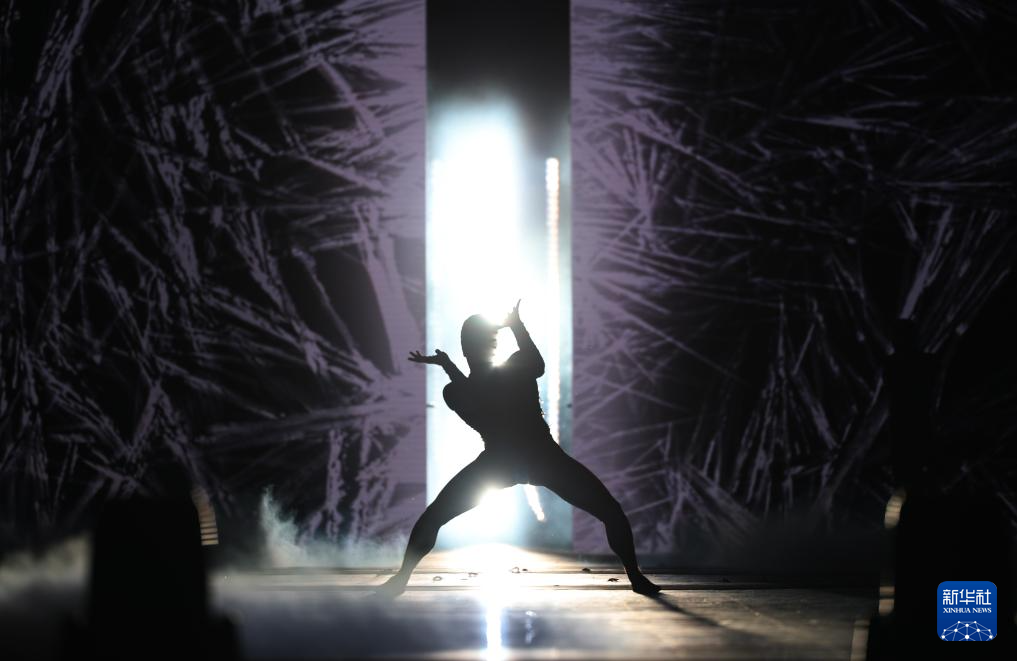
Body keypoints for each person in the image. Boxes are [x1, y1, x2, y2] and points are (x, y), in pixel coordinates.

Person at [377, 300, 660, 596]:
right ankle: (636, 577)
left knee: (434, 516)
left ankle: (401, 579)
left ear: (466, 349)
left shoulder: (460, 389)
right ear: (493, 343)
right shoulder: (512, 369)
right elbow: (526, 370)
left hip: (503, 461)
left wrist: (450, 367)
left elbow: (479, 396)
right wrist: (517, 327)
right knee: (611, 512)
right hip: (540, 457)